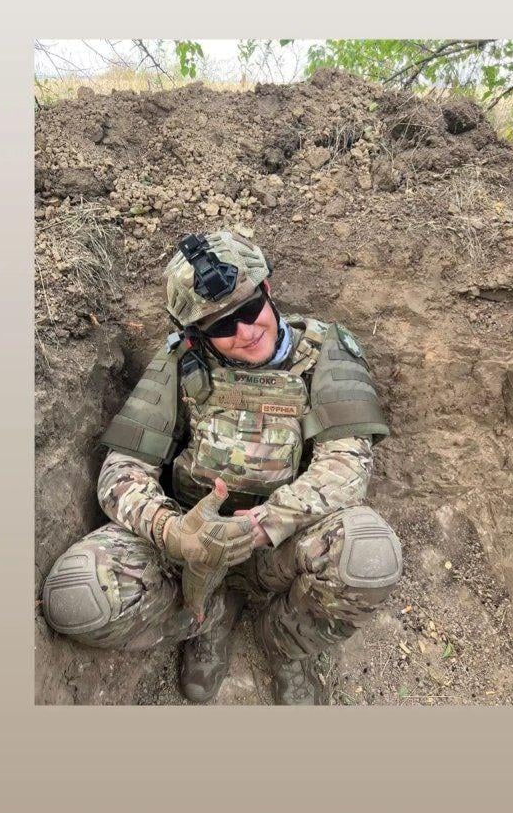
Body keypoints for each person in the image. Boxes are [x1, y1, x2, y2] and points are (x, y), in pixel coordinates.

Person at [42, 231, 403, 704]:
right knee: (77, 596)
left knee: (367, 554)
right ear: (197, 334)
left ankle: (286, 642)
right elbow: (122, 471)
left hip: (282, 543)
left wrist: (265, 524)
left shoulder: (324, 352)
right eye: (222, 326)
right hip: (191, 543)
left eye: (250, 309)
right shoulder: (180, 361)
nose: (246, 331)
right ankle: (208, 617)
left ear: (267, 291)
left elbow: (346, 466)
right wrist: (171, 530)